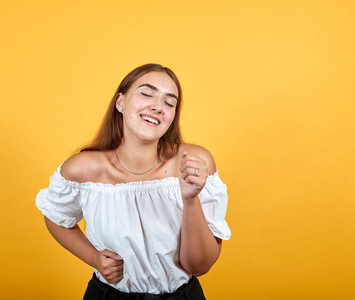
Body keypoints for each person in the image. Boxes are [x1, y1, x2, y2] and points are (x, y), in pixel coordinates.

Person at [36, 63, 231, 300]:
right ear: (120, 102)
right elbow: (56, 217)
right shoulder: (82, 169)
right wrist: (94, 258)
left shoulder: (195, 163)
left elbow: (199, 267)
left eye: (169, 103)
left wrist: (190, 199)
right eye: (147, 94)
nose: (158, 107)